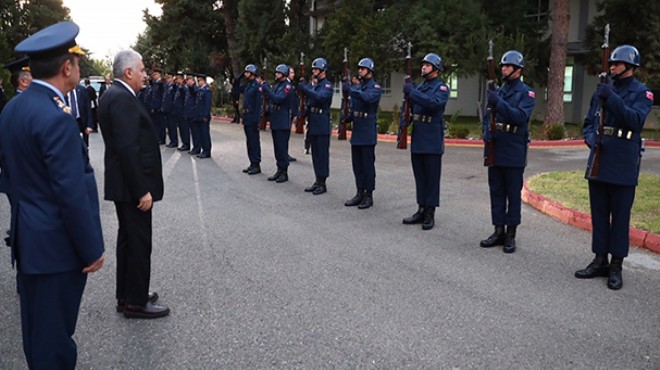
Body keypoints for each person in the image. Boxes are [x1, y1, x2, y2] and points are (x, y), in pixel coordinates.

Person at [0, 21, 105, 369]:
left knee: (37, 335)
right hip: (57, 251)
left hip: (29, 243)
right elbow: (70, 192)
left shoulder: (14, 108)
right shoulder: (56, 117)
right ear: (67, 67)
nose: (77, 68)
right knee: (55, 345)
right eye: (76, 62)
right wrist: (91, 249)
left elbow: (11, 177)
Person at [575, 45, 654, 290]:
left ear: (630, 67)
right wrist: (590, 139)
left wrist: (612, 98)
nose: (612, 67)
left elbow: (635, 120)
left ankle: (616, 266)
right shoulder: (600, 91)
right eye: (611, 63)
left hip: (622, 162)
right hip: (600, 158)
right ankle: (600, 259)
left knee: (620, 217)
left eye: (617, 64)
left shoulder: (642, 93)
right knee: (599, 215)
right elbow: (588, 123)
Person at [98, 49, 169, 318]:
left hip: (123, 184)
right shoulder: (123, 99)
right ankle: (137, 302)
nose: (145, 75)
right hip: (132, 187)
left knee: (128, 240)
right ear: (128, 72)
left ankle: (127, 294)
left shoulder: (115, 95)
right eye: (141, 70)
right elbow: (128, 148)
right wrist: (142, 190)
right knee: (139, 243)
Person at [479, 50, 536, 253]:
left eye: (507, 66)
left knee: (512, 193)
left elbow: (519, 116)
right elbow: (487, 117)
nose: (503, 69)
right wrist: (487, 134)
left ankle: (511, 234)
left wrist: (498, 103)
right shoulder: (499, 91)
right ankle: (498, 230)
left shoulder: (526, 93)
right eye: (502, 65)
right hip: (496, 146)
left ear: (518, 70)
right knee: (496, 191)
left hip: (513, 149)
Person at [400, 53, 449, 230]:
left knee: (431, 178)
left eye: (427, 65)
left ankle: (430, 212)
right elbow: (410, 108)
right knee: (420, 176)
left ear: (435, 69)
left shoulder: (441, 88)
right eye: (423, 65)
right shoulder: (419, 87)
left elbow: (433, 104)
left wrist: (412, 92)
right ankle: (421, 208)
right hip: (419, 137)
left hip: (432, 139)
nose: (423, 68)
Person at [342, 58, 382, 209]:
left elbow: (367, 98)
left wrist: (351, 89)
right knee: (357, 165)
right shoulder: (359, 87)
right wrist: (347, 117)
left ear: (370, 71)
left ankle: (368, 195)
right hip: (357, 130)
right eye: (359, 68)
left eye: (362, 68)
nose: (360, 71)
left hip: (367, 131)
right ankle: (359, 192)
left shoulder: (375, 87)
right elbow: (355, 106)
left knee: (367, 165)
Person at [298, 58, 334, 195]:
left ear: (323, 71)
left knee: (322, 154)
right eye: (313, 69)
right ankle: (317, 180)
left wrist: (306, 89)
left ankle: (323, 182)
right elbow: (311, 102)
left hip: (322, 124)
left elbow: (320, 98)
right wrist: (303, 114)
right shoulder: (314, 86)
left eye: (316, 69)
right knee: (315, 154)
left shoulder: (327, 86)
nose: (313, 71)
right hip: (313, 123)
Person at [260, 64, 296, 182]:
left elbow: (278, 99)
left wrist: (267, 90)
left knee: (282, 148)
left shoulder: (287, 87)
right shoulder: (278, 86)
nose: (276, 74)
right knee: (277, 148)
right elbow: (271, 98)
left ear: (284, 74)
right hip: (275, 120)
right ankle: (279, 169)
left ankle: (284, 172)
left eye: (278, 72)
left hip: (282, 121)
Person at [240, 64, 262, 175]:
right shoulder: (248, 85)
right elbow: (236, 90)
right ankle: (252, 163)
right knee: (249, 142)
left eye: (247, 72)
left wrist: (257, 121)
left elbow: (258, 106)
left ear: (253, 73)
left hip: (253, 117)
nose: (245, 74)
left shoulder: (257, 87)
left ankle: (256, 164)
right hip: (247, 117)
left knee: (254, 142)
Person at [67, 77, 93, 146]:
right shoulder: (63, 90)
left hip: (81, 121)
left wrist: (89, 125)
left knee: (84, 145)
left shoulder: (82, 90)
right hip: (69, 121)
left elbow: (88, 108)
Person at [193, 73, 213, 158]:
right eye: (197, 81)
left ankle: (206, 151)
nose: (198, 82)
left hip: (204, 116)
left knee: (205, 134)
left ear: (204, 81)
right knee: (200, 134)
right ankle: (202, 149)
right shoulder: (200, 90)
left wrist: (205, 116)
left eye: (199, 80)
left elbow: (207, 105)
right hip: (198, 116)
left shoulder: (207, 90)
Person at [172, 72, 190, 151]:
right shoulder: (178, 87)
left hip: (182, 111)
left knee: (184, 129)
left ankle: (186, 144)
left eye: (177, 79)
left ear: (182, 79)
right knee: (181, 129)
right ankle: (184, 143)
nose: (176, 80)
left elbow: (185, 100)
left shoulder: (184, 87)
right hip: (178, 111)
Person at [149, 69, 166, 144]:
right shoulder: (155, 84)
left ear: (159, 75)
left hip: (159, 107)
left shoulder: (161, 83)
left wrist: (162, 106)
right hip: (155, 107)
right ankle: (158, 137)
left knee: (161, 124)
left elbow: (162, 96)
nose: (153, 76)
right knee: (156, 124)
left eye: (155, 74)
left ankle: (162, 139)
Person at [184, 74, 199, 155]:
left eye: (189, 80)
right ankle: (195, 147)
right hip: (189, 113)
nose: (187, 82)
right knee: (192, 132)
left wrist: (192, 85)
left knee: (195, 132)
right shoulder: (188, 89)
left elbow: (195, 92)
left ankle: (197, 148)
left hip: (193, 113)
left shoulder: (195, 87)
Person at [162, 72, 178, 148]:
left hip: (172, 110)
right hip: (167, 109)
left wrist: (175, 82)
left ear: (172, 79)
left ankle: (174, 141)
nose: (168, 79)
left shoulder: (174, 86)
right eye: (167, 78)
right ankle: (172, 140)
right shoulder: (166, 86)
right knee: (169, 126)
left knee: (172, 126)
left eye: (169, 78)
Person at [286, 65, 298, 162]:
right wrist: (294, 113)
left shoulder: (291, 85)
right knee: (285, 135)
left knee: (287, 135)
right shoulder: (287, 85)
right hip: (286, 113)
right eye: (291, 73)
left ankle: (285, 153)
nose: (293, 75)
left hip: (290, 113)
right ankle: (284, 153)